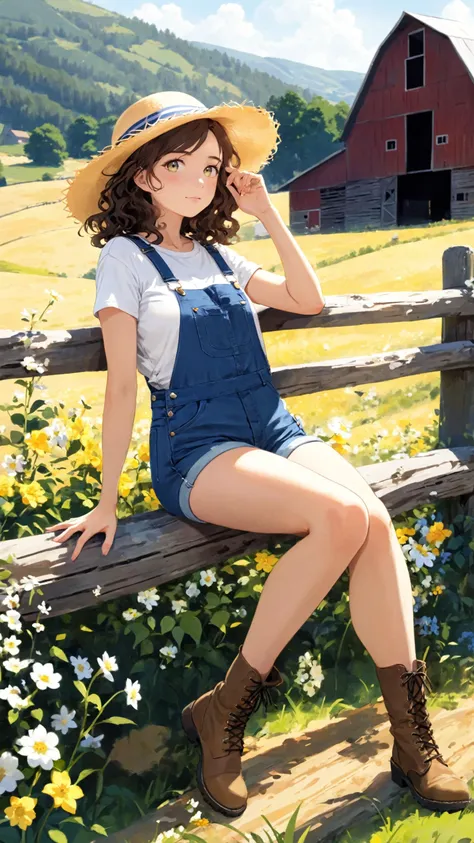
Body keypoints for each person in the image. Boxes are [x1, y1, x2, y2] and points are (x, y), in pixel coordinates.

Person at [46, 91, 470, 819]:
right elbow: (122, 384)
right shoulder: (124, 259)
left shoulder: (217, 252)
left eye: (211, 166)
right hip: (197, 445)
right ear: (143, 176)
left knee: (370, 516)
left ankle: (410, 737)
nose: (199, 180)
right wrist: (107, 499)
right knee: (342, 515)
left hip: (271, 426)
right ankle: (227, 713)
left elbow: (306, 296)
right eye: (178, 164)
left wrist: (269, 212)